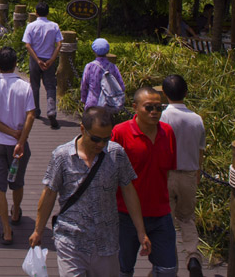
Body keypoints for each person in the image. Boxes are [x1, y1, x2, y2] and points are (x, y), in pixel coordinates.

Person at [30, 106, 151, 276]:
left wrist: (141, 231)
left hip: (106, 242)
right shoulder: (62, 156)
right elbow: (49, 192)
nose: (101, 144)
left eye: (106, 139)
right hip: (70, 239)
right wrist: (38, 230)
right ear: (82, 129)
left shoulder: (116, 153)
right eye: (95, 139)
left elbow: (128, 190)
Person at [112, 87, 178, 277]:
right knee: (122, 270)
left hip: (160, 213)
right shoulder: (120, 133)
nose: (154, 112)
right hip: (124, 215)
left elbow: (167, 172)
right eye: (149, 107)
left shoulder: (168, 132)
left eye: (159, 107)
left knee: (167, 270)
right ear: (135, 107)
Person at [0, 47, 36, 246]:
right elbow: (31, 114)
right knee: (18, 182)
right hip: (18, 145)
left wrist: (9, 132)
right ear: (15, 64)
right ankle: (15, 210)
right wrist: (19, 139)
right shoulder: (25, 86)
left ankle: (6, 230)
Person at [160, 75, 207, 277]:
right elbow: (200, 150)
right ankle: (193, 256)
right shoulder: (197, 119)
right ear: (186, 93)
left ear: (164, 94)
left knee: (167, 221)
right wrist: (197, 173)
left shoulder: (162, 118)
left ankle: (169, 263)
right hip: (189, 173)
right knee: (187, 217)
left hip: (167, 175)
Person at [23, 3, 63, 129]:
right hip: (49, 60)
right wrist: (52, 59)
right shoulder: (54, 26)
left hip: (36, 59)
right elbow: (59, 44)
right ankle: (51, 111)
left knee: (35, 86)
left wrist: (37, 60)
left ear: (36, 12)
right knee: (50, 86)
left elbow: (27, 45)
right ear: (48, 12)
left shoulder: (31, 26)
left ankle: (36, 111)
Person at [79, 38, 126, 109]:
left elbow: (84, 85)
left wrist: (83, 99)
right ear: (108, 50)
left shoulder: (89, 66)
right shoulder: (113, 66)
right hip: (108, 104)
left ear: (93, 50)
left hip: (92, 103)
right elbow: (121, 86)